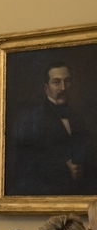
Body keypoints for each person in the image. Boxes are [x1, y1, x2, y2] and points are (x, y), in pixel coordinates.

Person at [9, 62, 93, 196]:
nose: (63, 87)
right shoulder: (32, 121)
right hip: (46, 196)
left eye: (67, 81)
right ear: (46, 88)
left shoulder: (79, 120)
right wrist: (64, 169)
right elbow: (25, 168)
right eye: (56, 82)